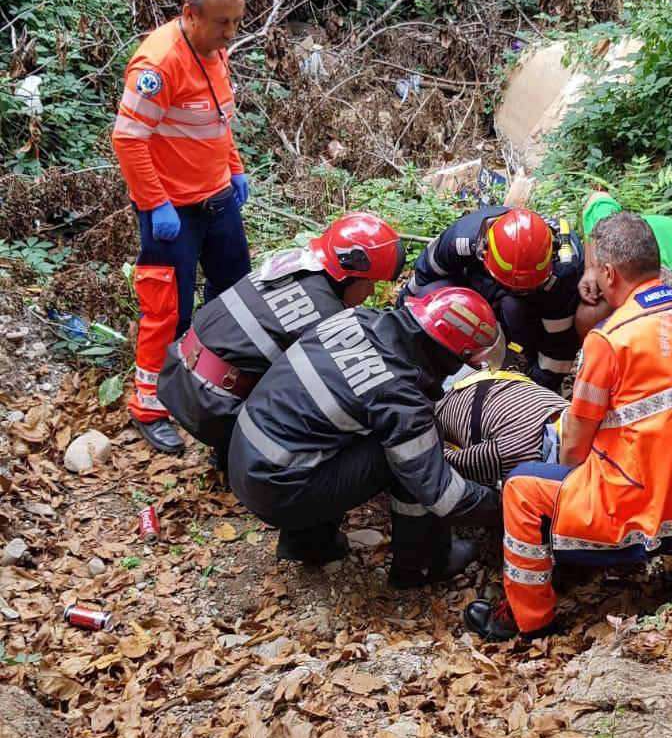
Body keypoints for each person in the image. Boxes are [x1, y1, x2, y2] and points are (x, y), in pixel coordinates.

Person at [464, 212, 672, 641]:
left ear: (609, 273)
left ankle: (528, 619)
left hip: (667, 515)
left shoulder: (610, 341)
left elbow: (574, 449)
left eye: (594, 269)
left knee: (522, 488)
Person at [228, 286, 503, 582]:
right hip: (279, 490)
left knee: (341, 426)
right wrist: (501, 505)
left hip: (245, 455)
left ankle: (309, 540)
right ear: (450, 356)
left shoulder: (358, 318)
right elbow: (440, 492)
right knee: (411, 453)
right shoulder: (399, 396)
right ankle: (424, 562)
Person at [112, 0, 251, 455]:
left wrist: (233, 168)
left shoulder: (214, 51)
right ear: (190, 15)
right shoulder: (158, 63)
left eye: (236, 21)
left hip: (216, 198)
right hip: (173, 210)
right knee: (167, 308)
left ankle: (209, 378)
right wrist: (157, 205)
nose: (231, 33)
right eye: (222, 23)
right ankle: (149, 404)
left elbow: (218, 118)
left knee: (234, 293)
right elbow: (129, 140)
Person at [156, 213, 405, 467]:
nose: (372, 292)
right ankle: (241, 454)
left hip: (178, 370)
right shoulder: (325, 317)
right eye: (371, 282)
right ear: (350, 274)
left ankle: (226, 446)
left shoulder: (291, 263)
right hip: (211, 407)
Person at [406, 207, 584, 390]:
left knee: (514, 308)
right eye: (510, 286)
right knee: (427, 294)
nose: (516, 290)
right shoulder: (464, 239)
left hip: (528, 313)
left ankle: (522, 354)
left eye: (523, 289)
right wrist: (403, 323)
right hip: (480, 286)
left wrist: (536, 390)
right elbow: (424, 275)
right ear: (484, 253)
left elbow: (559, 348)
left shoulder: (563, 274)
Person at [576, 189, 672, 340]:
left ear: (609, 274)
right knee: (590, 314)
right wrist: (591, 268)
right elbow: (597, 197)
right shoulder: (607, 230)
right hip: (655, 240)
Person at [436, 371, 567, 484]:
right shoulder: (522, 452)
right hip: (448, 410)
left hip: (489, 375)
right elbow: (453, 463)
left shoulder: (567, 408)